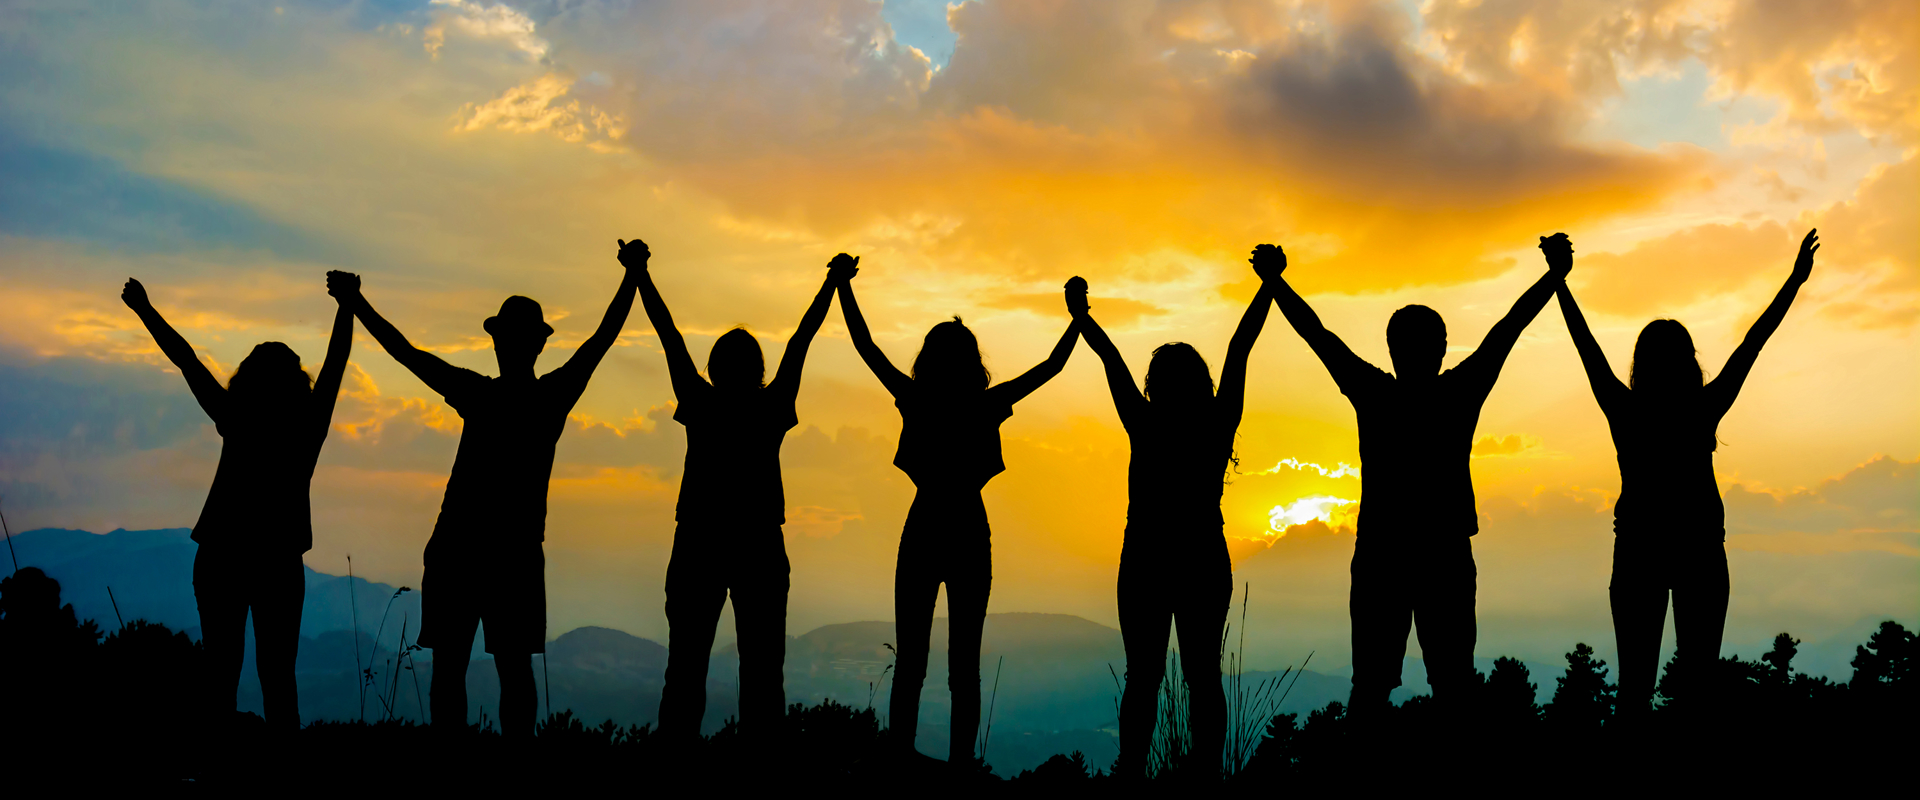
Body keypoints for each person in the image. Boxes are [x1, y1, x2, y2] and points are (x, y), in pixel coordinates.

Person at [327, 242, 641, 738]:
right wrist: (634, 276)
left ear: (504, 343)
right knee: (508, 669)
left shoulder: (482, 394)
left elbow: (407, 354)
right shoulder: (547, 397)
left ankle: (457, 766)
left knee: (456, 668)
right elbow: (603, 338)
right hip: (506, 554)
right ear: (538, 345)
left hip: (461, 548)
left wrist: (357, 303)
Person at [1261, 239, 1570, 714]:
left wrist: (1276, 281)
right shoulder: (1458, 392)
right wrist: (1553, 275)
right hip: (1441, 552)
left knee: (1372, 686)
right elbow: (1508, 328)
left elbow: (1317, 334)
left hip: (1384, 553)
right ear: (1442, 349)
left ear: (1392, 348)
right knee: (1452, 684)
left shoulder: (1375, 391)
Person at [1554, 229, 1818, 722]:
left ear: (1641, 365)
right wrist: (1795, 281)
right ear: (1689, 362)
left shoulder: (1627, 411)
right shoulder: (1701, 410)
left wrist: (1559, 282)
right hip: (1696, 553)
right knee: (1696, 690)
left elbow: (1585, 345)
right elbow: (1753, 342)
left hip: (1640, 553)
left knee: (1636, 690)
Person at [838, 265, 1080, 768]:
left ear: (928, 359)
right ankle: (958, 765)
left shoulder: (917, 398)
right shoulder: (985, 403)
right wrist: (1078, 316)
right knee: (961, 664)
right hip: (968, 528)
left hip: (925, 525)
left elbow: (865, 347)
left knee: (913, 662)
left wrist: (843, 286)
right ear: (972, 362)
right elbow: (1052, 367)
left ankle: (902, 758)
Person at [121, 274, 354, 731]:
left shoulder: (235, 417)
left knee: (221, 675)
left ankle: (217, 772)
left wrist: (145, 310)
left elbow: (187, 361)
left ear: (247, 380)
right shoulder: (306, 428)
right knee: (278, 678)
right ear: (296, 384)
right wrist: (347, 305)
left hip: (222, 557)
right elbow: (336, 362)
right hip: (278, 563)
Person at [641, 251, 857, 741]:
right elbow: (802, 340)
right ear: (758, 368)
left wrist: (641, 276)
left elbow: (669, 335)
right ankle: (761, 774)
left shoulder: (700, 402)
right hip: (758, 544)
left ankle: (675, 762)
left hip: (699, 541)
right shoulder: (771, 405)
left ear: (715, 367)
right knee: (762, 674)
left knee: (686, 669)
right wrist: (834, 284)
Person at [1069, 262, 1274, 778]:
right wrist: (1267, 285)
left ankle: (1132, 773)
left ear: (1155, 385)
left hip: (1145, 558)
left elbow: (1111, 358)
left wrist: (1081, 315)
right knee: (1203, 677)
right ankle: (1206, 774)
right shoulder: (1216, 420)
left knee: (1144, 677)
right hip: (1203, 556)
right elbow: (1239, 348)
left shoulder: (1145, 420)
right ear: (1201, 383)